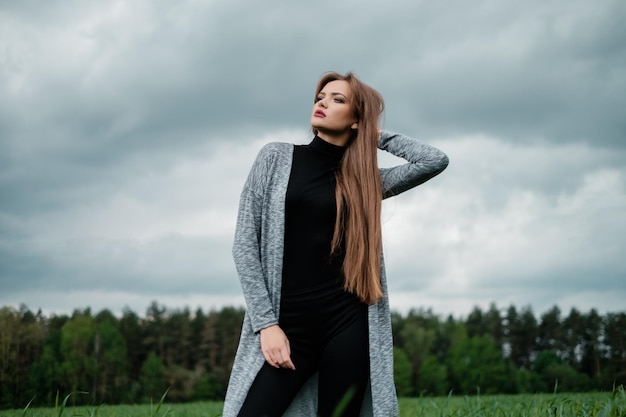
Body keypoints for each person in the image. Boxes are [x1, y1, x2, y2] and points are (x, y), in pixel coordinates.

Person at [222, 72, 449, 417]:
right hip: (286, 325)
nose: (322, 103)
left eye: (337, 99)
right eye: (321, 97)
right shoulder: (275, 158)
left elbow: (433, 160)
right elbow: (244, 245)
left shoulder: (366, 182)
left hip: (347, 324)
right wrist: (266, 325)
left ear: (356, 119)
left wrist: (374, 135)